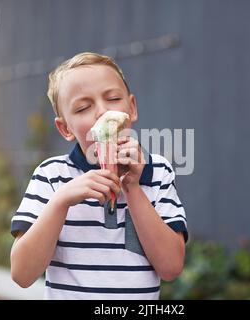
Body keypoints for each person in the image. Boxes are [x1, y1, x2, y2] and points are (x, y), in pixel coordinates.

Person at [10, 52, 188, 299]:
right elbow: (22, 274)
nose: (102, 112)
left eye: (113, 98)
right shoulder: (50, 176)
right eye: (83, 107)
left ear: (132, 108)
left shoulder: (158, 171)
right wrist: (61, 201)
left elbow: (171, 267)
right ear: (65, 128)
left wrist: (134, 189)